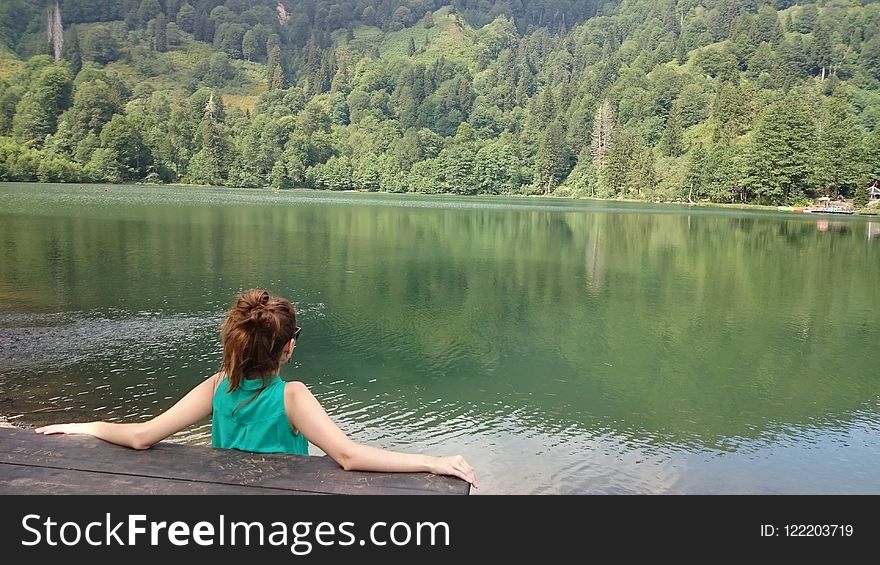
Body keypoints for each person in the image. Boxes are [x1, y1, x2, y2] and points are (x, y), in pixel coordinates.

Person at [35, 289, 477, 487]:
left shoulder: (215, 388)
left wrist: (86, 425)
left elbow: (141, 437)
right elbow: (348, 456)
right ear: (286, 349)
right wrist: (433, 460)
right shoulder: (292, 397)